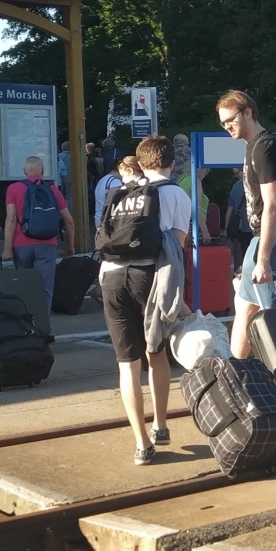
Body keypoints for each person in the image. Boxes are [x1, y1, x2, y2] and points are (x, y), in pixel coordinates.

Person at [99, 137, 192, 465]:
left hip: (110, 277)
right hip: (148, 276)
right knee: (156, 353)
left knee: (127, 364)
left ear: (139, 163)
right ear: (172, 163)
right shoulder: (176, 194)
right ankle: (161, 426)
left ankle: (142, 445)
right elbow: (175, 248)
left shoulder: (122, 192)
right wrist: (180, 301)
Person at [219, 90, 276, 359]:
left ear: (247, 112)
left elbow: (272, 205)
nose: (226, 127)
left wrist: (262, 259)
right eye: (223, 123)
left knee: (246, 308)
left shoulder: (264, 149)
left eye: (230, 119)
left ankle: (237, 374)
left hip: (275, 239)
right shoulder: (268, 145)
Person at [2, 155, 75, 308]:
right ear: (43, 170)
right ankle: (43, 320)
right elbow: (68, 220)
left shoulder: (13, 189)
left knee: (24, 285)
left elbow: (11, 220)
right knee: (45, 288)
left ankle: (25, 317)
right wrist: (70, 246)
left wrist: (7, 249)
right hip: (47, 243)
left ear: (24, 171)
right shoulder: (52, 189)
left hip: (21, 244)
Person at [225, 165, 254, 267]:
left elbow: (230, 209)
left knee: (245, 253)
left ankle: (247, 271)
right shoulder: (256, 183)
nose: (235, 176)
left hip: (242, 226)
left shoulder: (235, 187)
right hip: (256, 225)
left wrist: (227, 226)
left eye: (236, 173)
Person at [93, 156, 124, 227]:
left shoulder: (103, 179)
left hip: (98, 217)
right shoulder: (115, 182)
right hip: (108, 219)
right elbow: (114, 203)